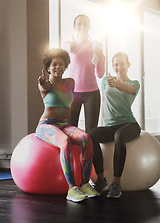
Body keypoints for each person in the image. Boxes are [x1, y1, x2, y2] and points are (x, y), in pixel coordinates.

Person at [35, 48, 99, 203]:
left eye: (61, 64)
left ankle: (84, 184)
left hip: (64, 125)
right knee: (65, 142)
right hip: (46, 125)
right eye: (54, 64)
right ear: (48, 68)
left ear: (65, 66)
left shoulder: (70, 82)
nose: (58, 67)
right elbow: (45, 88)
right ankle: (71, 188)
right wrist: (43, 84)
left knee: (85, 138)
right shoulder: (46, 84)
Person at [89, 52, 141, 198]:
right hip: (111, 125)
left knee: (119, 136)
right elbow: (105, 103)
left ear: (128, 64)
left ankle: (116, 183)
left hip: (129, 124)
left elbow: (128, 89)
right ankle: (101, 180)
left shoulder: (134, 84)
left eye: (122, 64)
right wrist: (104, 123)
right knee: (92, 135)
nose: (119, 67)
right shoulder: (105, 80)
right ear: (112, 66)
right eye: (116, 64)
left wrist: (116, 83)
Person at [64, 14, 105, 133]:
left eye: (85, 24)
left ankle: (90, 152)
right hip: (73, 93)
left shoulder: (95, 46)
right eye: (79, 24)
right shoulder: (69, 44)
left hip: (92, 93)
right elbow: (61, 62)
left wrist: (101, 56)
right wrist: (69, 47)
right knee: (70, 130)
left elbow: (100, 74)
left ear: (89, 26)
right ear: (75, 27)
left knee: (92, 132)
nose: (82, 26)